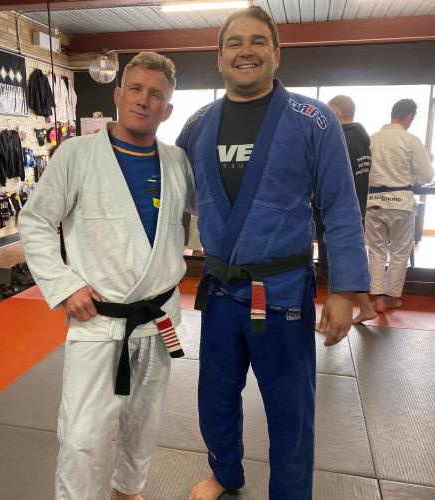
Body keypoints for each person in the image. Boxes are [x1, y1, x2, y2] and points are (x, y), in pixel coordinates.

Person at [176, 7, 370, 500]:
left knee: (290, 408)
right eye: (234, 42)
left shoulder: (313, 119)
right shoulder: (197, 124)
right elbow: (173, 199)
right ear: (219, 57)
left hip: (282, 292)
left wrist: (344, 289)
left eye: (258, 41)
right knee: (215, 396)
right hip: (220, 290)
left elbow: (341, 207)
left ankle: (290, 493)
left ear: (277, 53)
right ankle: (225, 473)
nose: (246, 51)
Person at [18, 52, 195, 500]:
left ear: (167, 109)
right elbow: (35, 220)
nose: (143, 100)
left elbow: (197, 220)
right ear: (118, 95)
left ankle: (128, 491)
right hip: (98, 319)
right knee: (83, 435)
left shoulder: (177, 161)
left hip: (159, 318)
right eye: (135, 89)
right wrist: (64, 285)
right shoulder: (77, 154)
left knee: (144, 420)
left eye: (155, 95)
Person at [313, 94, 376, 324]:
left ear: (336, 113)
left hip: (335, 212)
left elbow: (331, 180)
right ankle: (366, 308)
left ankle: (331, 318)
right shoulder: (362, 140)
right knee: (347, 259)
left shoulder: (340, 140)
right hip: (356, 207)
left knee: (334, 261)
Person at [365, 99, 433, 312]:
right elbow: (427, 175)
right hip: (401, 202)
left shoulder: (372, 139)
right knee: (400, 252)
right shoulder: (411, 140)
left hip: (373, 201)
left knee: (376, 251)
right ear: (409, 117)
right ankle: (391, 298)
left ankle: (377, 298)